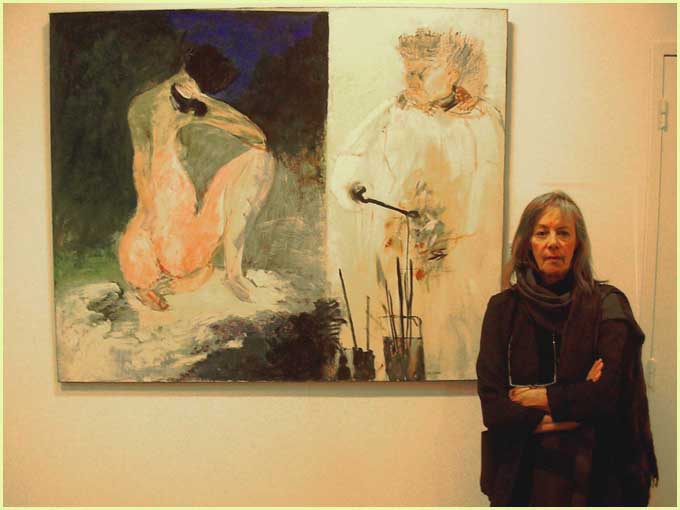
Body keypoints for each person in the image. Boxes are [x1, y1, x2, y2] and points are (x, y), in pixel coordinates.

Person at [330, 28, 505, 379]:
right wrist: (352, 186)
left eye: (420, 73)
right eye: (407, 72)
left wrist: (455, 231)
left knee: (452, 327)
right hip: (399, 246)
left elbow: (490, 189)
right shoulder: (394, 112)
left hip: (457, 253)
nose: (409, 81)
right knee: (400, 325)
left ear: (451, 74)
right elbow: (352, 156)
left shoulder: (483, 121)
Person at [476, 191, 658, 506]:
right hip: (520, 480)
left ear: (578, 244)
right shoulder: (503, 309)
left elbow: (608, 397)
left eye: (563, 233)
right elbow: (494, 411)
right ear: (527, 243)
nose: (553, 243)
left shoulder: (608, 305)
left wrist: (535, 397)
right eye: (541, 233)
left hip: (598, 480)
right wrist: (576, 410)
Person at [118, 45, 275, 310]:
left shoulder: (139, 105)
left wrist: (148, 211)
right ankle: (233, 274)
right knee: (261, 158)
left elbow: (140, 166)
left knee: (150, 221)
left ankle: (153, 284)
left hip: (142, 247)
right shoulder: (186, 105)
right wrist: (206, 103)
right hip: (178, 249)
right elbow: (257, 137)